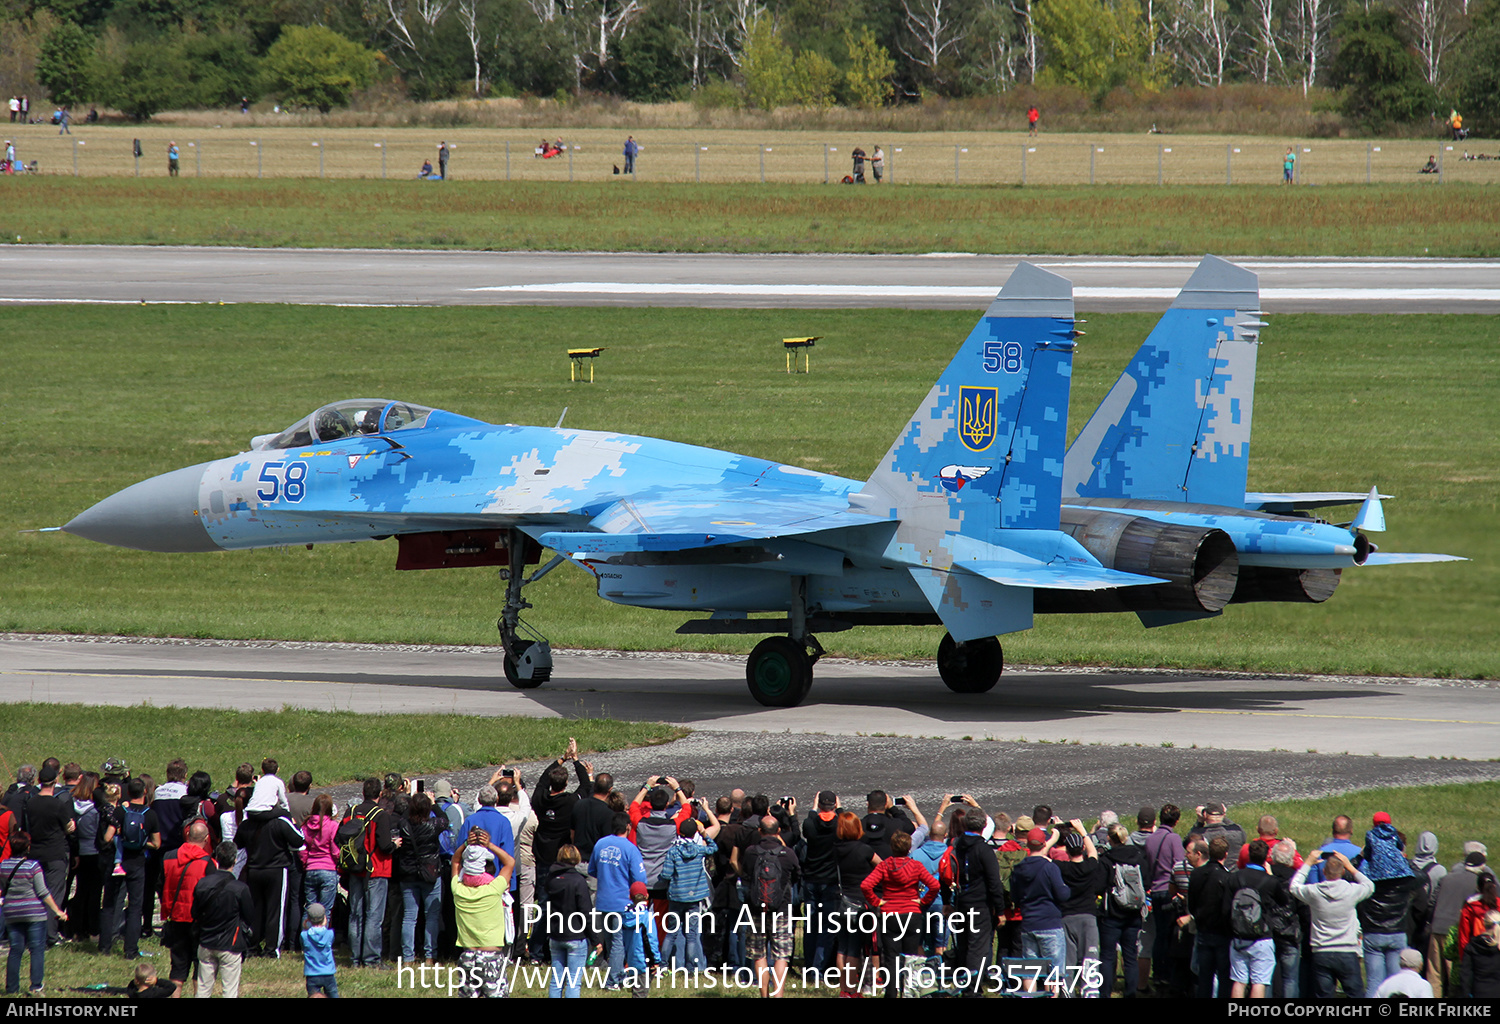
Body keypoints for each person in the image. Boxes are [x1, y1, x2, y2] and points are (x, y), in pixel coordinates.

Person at [860, 829, 938, 997]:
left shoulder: (885, 865)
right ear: (909, 848)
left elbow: (866, 885)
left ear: (892, 847)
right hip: (912, 913)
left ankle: (891, 992)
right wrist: (923, 901)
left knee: (891, 957)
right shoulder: (915, 865)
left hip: (891, 914)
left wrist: (877, 902)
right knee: (911, 957)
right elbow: (934, 885)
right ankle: (909, 992)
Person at [1290, 848, 1374, 997]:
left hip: (1322, 951)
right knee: (1356, 994)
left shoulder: (1314, 892)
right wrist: (1351, 867)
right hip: (1347, 951)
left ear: (1324, 873)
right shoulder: (1351, 890)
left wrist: (1308, 863)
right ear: (1342, 872)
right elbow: (1369, 886)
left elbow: (1294, 886)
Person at [2, 832, 70, 995]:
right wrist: (57, 911)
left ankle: (11, 988)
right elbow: (42, 892)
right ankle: (36, 986)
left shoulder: (3, 865)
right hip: (34, 913)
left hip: (12, 912)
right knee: (36, 949)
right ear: (27, 848)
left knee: (15, 949)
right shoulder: (33, 866)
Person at [742, 815, 800, 998]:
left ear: (760, 831)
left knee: (759, 954)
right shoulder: (788, 853)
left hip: (756, 909)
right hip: (781, 909)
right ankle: (778, 994)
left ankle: (764, 994)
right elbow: (797, 875)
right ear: (778, 831)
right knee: (781, 955)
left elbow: (745, 875)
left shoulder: (751, 852)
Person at [193, 840, 255, 998]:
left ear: (216, 859)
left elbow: (195, 912)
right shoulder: (240, 888)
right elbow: (249, 917)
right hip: (230, 944)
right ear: (235, 860)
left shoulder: (202, 883)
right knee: (229, 990)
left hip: (206, 941)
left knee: (202, 989)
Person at [161, 820, 214, 994]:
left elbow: (160, 884)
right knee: (200, 965)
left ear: (187, 835)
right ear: (206, 839)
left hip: (175, 915)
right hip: (198, 918)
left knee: (178, 965)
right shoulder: (208, 862)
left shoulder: (169, 857)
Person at [543, 843, 595, 998]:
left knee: (556, 980)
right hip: (575, 935)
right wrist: (595, 939)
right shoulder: (578, 881)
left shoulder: (551, 879)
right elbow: (585, 911)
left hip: (556, 934)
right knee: (573, 981)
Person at [1456, 909, 1500, 998]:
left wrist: (1466, 994)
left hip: (1478, 992)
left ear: (1484, 923)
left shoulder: (1472, 946)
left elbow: (1465, 975)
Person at [300, 901, 337, 997]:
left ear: (308, 919)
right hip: (328, 972)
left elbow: (303, 944)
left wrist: (305, 927)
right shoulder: (330, 934)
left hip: (311, 974)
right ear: (324, 918)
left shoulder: (304, 935)